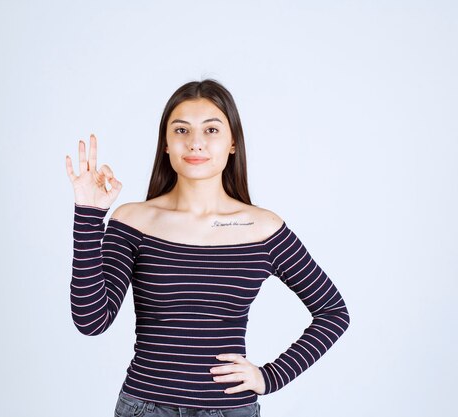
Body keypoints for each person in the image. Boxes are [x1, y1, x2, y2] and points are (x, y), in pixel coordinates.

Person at [65, 79, 350, 417]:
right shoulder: (134, 221)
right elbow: (91, 320)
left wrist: (269, 377)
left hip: (228, 409)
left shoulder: (263, 228)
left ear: (232, 143)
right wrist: (89, 213)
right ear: (166, 145)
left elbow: (334, 313)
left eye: (211, 130)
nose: (195, 143)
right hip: (146, 407)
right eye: (181, 131)